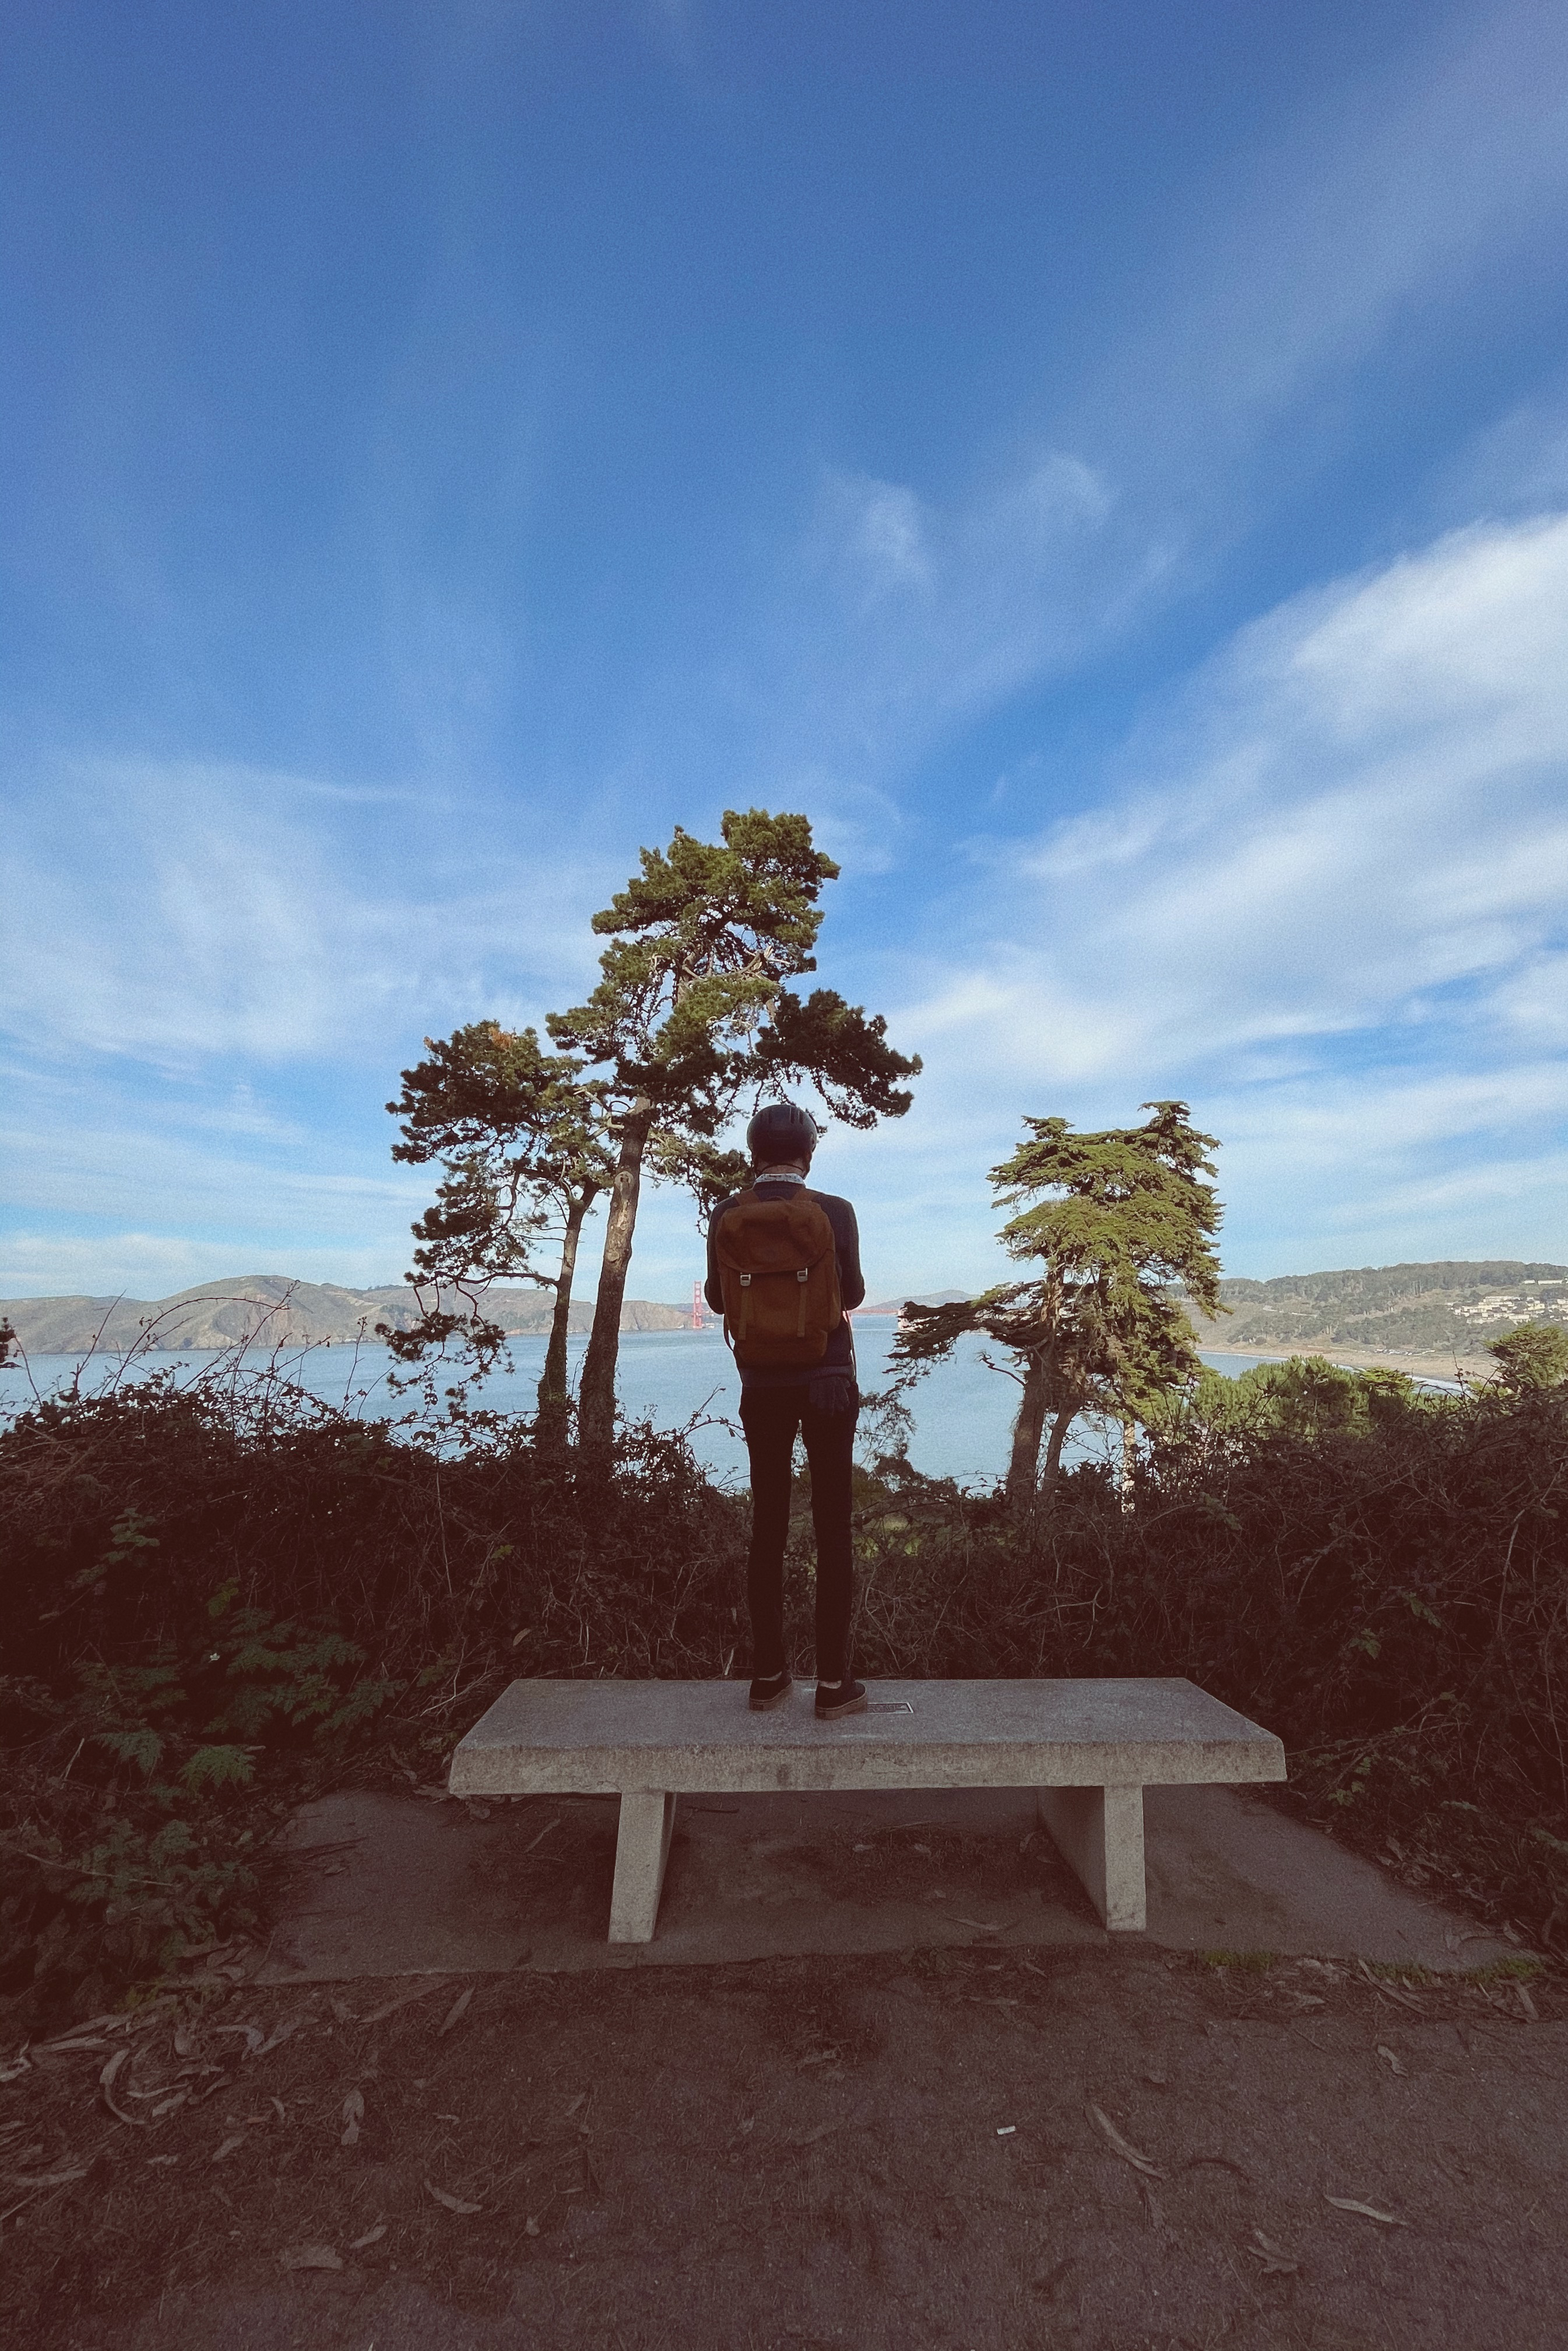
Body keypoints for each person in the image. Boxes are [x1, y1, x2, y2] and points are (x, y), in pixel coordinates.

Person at [705, 1101, 868, 1718]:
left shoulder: (728, 1213)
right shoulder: (834, 1212)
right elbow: (849, 1293)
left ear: (753, 1154)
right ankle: (832, 1685)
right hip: (826, 1380)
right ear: (807, 1153)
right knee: (832, 1530)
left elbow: (720, 1301)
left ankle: (768, 1677)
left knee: (767, 1527)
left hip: (761, 1386)